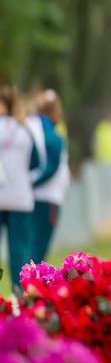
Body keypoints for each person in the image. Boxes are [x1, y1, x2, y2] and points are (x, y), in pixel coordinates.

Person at [0, 86, 39, 296]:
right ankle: (19, 295)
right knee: (18, 250)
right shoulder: (25, 130)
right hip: (21, 198)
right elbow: (36, 161)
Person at [25, 89, 71, 264]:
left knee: (31, 243)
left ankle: (25, 285)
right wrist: (30, 182)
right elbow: (50, 166)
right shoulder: (50, 133)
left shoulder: (35, 126)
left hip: (38, 195)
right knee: (37, 247)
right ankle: (28, 286)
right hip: (47, 196)